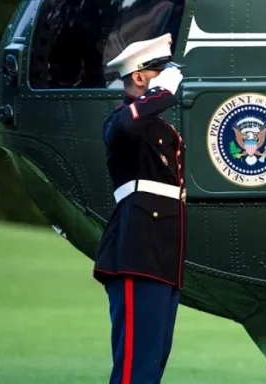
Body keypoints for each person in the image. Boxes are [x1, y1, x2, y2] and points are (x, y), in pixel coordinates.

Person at [92, 33, 188, 384]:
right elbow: (128, 124)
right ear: (139, 77)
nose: (168, 78)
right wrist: (160, 94)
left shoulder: (159, 128)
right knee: (135, 370)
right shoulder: (120, 121)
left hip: (162, 258)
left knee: (151, 366)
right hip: (137, 251)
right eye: (159, 72)